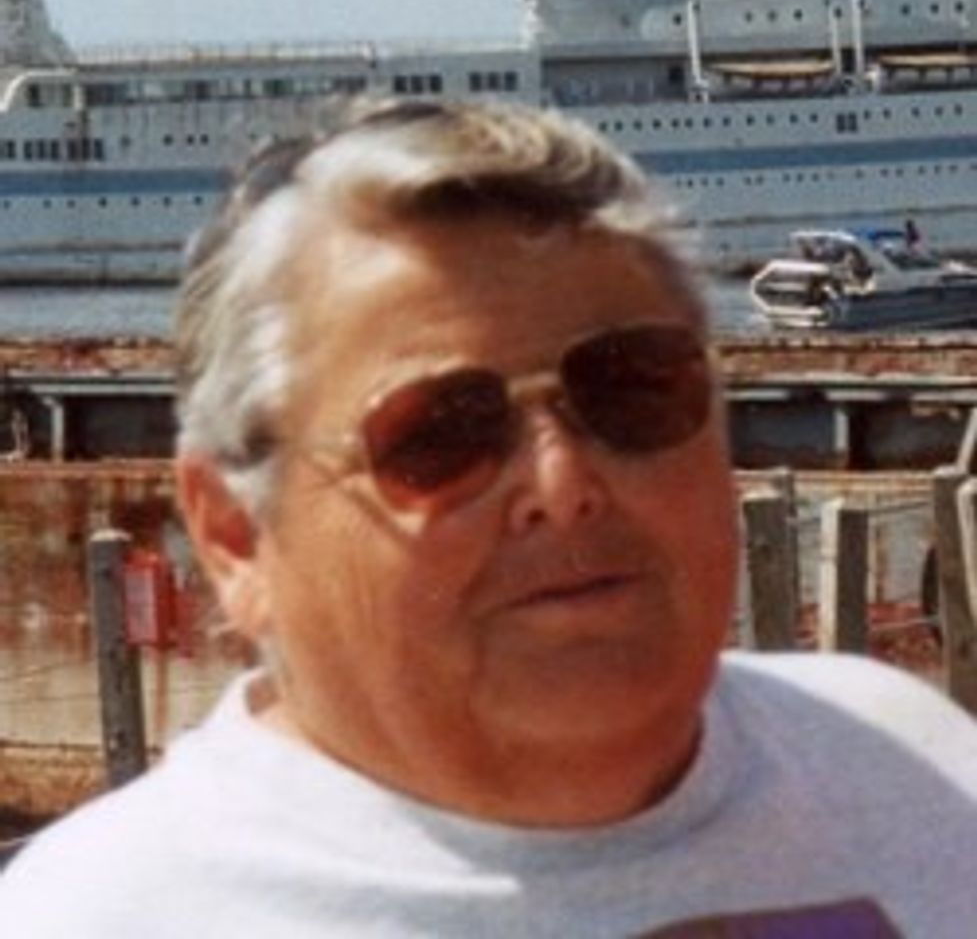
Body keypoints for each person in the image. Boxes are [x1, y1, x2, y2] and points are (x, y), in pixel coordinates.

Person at [2, 99, 977, 937]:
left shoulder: (915, 771)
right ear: (236, 538)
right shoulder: (100, 916)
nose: (563, 480)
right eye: (438, 434)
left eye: (635, 391)